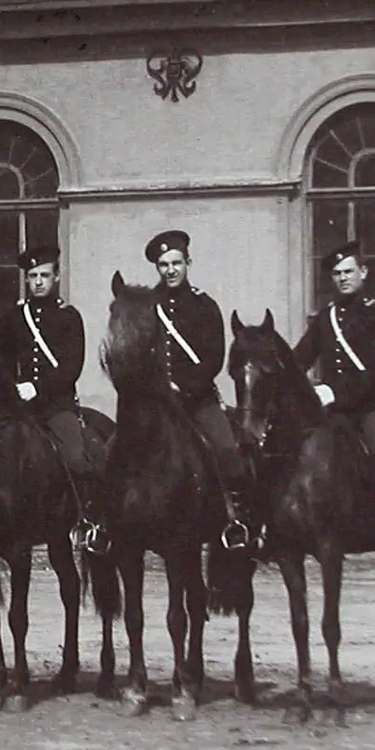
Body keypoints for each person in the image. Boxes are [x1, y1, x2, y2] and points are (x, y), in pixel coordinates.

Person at [292, 241, 375, 558]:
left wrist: (335, 393)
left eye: (348, 271)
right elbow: (301, 358)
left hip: (366, 408)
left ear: (363, 272)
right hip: (331, 412)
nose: (342, 278)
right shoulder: (326, 318)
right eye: (337, 273)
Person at [0, 244, 104, 555]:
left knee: (76, 456)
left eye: (44, 275)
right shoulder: (15, 316)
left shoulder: (69, 316)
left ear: (57, 277)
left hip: (56, 406)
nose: (38, 281)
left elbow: (71, 367)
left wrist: (36, 388)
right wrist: (10, 386)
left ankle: (89, 522)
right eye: (33, 276)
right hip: (20, 408)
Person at [146, 229, 252, 543]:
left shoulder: (205, 305)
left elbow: (213, 358)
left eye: (176, 262)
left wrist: (184, 387)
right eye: (164, 265)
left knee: (226, 449)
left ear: (188, 262)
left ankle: (238, 520)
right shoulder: (149, 307)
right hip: (159, 402)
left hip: (198, 400)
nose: (171, 270)